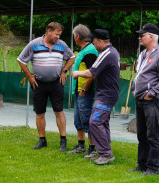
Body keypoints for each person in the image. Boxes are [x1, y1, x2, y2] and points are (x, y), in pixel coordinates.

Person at [17, 22, 75, 151]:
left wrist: (64, 71)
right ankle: (42, 140)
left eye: (59, 35)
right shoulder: (34, 44)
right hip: (38, 84)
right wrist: (29, 77)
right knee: (39, 113)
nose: (58, 37)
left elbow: (71, 57)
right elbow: (21, 60)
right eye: (56, 34)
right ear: (49, 31)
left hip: (56, 83)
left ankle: (63, 141)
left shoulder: (61, 45)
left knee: (59, 112)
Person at [72, 29, 120, 165]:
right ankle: (104, 152)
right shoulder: (110, 52)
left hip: (106, 95)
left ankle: (105, 154)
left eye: (94, 40)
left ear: (100, 41)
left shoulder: (107, 53)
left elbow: (91, 72)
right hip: (106, 93)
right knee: (102, 123)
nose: (92, 43)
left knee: (95, 122)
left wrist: (77, 73)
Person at [129, 23, 159, 175]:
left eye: (142, 35)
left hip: (150, 100)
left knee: (152, 135)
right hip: (139, 99)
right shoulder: (143, 54)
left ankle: (153, 168)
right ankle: (142, 165)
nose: (139, 37)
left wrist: (151, 93)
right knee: (141, 134)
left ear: (151, 36)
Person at [67, 24, 98, 159]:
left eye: (74, 36)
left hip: (86, 92)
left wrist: (84, 89)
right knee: (78, 120)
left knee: (87, 120)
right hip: (79, 91)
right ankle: (81, 145)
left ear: (77, 36)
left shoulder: (90, 51)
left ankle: (93, 149)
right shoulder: (83, 50)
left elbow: (93, 74)